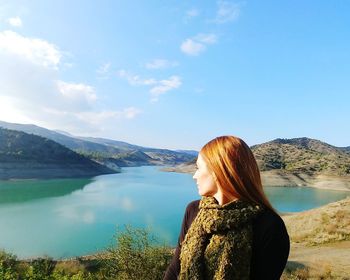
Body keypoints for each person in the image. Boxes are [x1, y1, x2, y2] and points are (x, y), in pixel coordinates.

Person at [164, 136, 290, 280]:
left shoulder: (270, 226)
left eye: (198, 168)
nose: (194, 176)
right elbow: (175, 269)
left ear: (219, 170)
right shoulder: (194, 210)